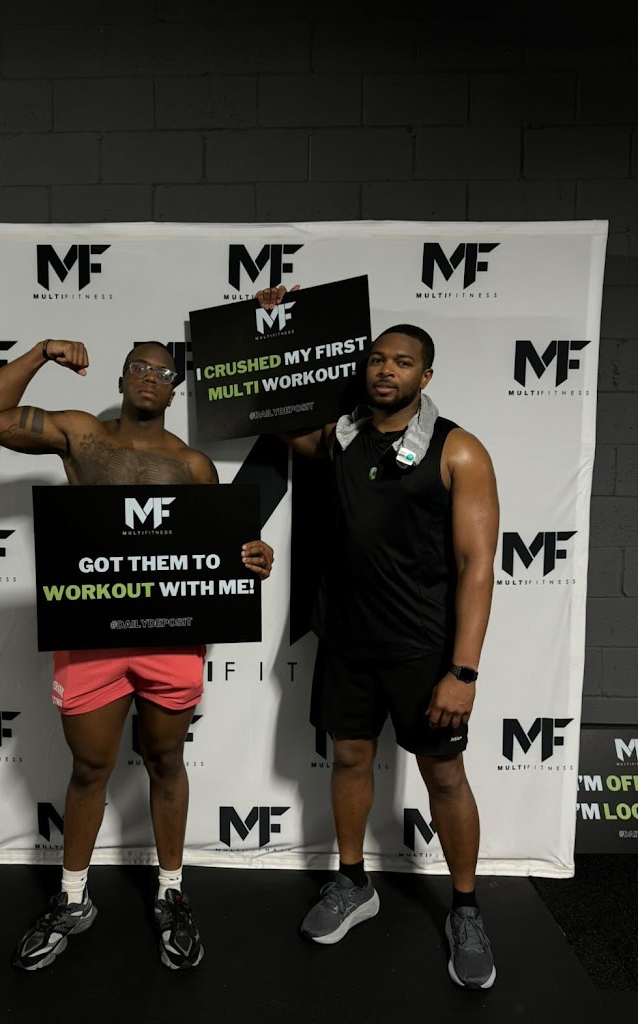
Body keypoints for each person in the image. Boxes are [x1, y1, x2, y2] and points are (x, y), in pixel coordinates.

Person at [0, 338, 274, 972]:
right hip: (91, 632)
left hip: (171, 638)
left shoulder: (193, 466)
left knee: (166, 761)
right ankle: (72, 898)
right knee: (89, 769)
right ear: (122, 377)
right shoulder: (82, 435)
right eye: (139, 367)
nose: (150, 377)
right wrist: (42, 353)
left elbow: (225, 549)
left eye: (163, 371)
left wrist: (255, 556)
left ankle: (171, 892)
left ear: (176, 389)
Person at [256, 286, 499, 990]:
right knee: (350, 760)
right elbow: (272, 412)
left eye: (402, 362)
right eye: (375, 359)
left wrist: (463, 671)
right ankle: (353, 883)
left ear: (425, 375)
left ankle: (465, 909)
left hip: (424, 650)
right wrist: (275, 328)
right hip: (346, 642)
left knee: (444, 776)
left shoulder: (458, 449)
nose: (384, 369)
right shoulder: (339, 437)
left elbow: (477, 566)